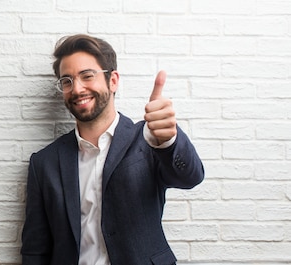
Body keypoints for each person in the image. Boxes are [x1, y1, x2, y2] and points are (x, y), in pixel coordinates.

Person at [20, 34, 205, 265]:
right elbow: (35, 250)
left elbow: (191, 177)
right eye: (67, 81)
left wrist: (168, 141)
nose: (77, 89)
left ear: (113, 80)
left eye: (87, 76)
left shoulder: (148, 139)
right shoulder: (44, 163)